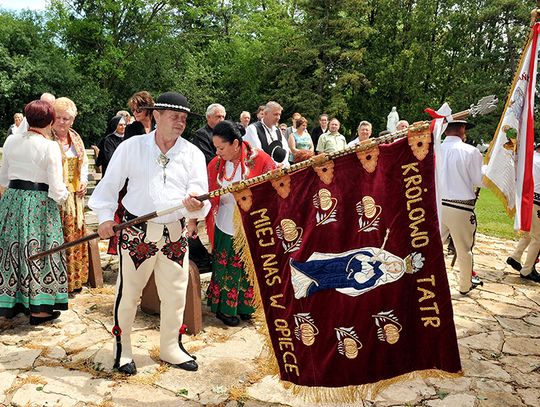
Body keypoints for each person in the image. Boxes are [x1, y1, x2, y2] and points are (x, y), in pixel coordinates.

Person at [89, 91, 210, 375]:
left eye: (183, 118)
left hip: (175, 234)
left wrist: (195, 204)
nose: (180, 123)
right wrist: (106, 218)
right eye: (174, 117)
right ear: (156, 116)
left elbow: (198, 190)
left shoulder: (191, 153)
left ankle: (171, 347)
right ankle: (123, 350)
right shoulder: (132, 147)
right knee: (128, 293)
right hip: (136, 232)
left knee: (176, 293)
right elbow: (108, 186)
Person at [0, 100, 69, 325]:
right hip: (40, 203)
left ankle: (9, 304)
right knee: (40, 250)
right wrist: (65, 198)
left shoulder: (10, 141)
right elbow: (56, 186)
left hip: (12, 199)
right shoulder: (49, 146)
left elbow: (3, 177)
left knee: (12, 250)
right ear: (50, 121)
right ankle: (39, 310)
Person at [206, 120, 276, 326]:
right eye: (215, 148)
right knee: (225, 265)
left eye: (221, 147)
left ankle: (246, 307)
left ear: (236, 143)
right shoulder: (215, 164)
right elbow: (210, 194)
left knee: (248, 266)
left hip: (250, 221)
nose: (218, 152)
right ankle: (224, 309)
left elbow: (273, 187)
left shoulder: (259, 159)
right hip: (225, 221)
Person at [438, 119, 485, 295]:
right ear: (462, 130)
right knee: (464, 249)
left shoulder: (437, 149)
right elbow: (478, 180)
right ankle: (465, 285)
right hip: (461, 206)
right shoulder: (470, 151)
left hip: (438, 205)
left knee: (432, 246)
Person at [51, 97, 89, 293]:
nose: (62, 122)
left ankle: (75, 280)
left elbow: (83, 165)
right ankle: (58, 283)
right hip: (56, 198)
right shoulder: (47, 139)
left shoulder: (75, 137)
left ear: (72, 120)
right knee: (60, 238)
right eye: (58, 117)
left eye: (66, 118)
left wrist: (84, 180)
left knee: (74, 236)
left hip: (75, 198)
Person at [506, 143, 540, 283]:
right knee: (537, 238)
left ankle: (515, 257)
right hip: (537, 201)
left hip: (526, 200)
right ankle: (527, 270)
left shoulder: (530, 159)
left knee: (528, 234)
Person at [244, 101, 290, 166]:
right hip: (261, 172)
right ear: (265, 114)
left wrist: (283, 164)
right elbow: (258, 153)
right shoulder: (252, 129)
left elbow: (285, 149)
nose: (278, 118)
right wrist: (275, 165)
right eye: (275, 114)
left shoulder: (278, 131)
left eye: (279, 114)